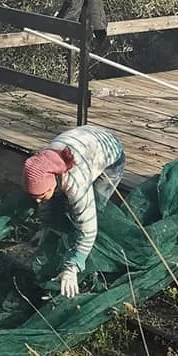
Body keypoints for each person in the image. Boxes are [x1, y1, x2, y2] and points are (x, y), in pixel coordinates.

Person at [22, 125, 125, 298]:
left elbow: (88, 228)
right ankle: (66, 240)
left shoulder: (77, 184)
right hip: (85, 141)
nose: (38, 200)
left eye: (41, 195)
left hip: (110, 154)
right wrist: (45, 227)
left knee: (93, 209)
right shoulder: (42, 166)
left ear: (54, 181)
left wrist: (72, 267)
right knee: (58, 203)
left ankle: (88, 257)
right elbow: (45, 202)